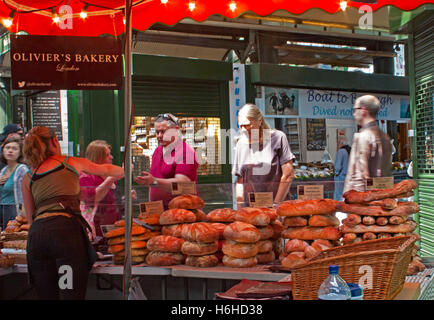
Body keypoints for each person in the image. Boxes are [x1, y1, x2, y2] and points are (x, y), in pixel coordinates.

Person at [21, 126, 124, 300]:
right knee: (69, 293)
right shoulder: (69, 162)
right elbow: (106, 170)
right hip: (65, 235)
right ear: (55, 141)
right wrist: (126, 170)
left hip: (37, 238)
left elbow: (31, 218)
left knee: (47, 296)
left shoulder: (28, 176)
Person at [233, 103, 295, 207]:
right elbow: (240, 181)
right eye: (240, 125)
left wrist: (276, 205)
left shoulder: (277, 138)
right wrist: (240, 208)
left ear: (259, 121)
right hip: (251, 208)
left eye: (247, 125)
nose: (243, 129)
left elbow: (288, 175)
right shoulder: (240, 144)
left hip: (276, 206)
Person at [134, 113, 199, 209]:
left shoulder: (186, 151)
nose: (159, 136)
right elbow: (153, 185)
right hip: (160, 212)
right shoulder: (157, 151)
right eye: (157, 132)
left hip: (181, 213)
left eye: (163, 132)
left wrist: (154, 182)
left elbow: (183, 184)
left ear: (176, 130)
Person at [343, 95, 392, 193]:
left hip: (363, 199)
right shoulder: (385, 137)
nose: (354, 114)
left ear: (363, 110)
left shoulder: (364, 136)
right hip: (382, 195)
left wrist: (352, 200)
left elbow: (362, 175)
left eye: (355, 109)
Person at [79, 140, 123, 238]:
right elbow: (91, 200)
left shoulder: (109, 176)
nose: (111, 157)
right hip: (96, 231)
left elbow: (112, 202)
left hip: (113, 228)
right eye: (107, 155)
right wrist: (111, 179)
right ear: (97, 158)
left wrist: (126, 198)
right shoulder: (86, 177)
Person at [0, 137, 29, 230]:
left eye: (14, 148)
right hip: (2, 210)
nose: (10, 151)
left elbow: (27, 193)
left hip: (15, 212)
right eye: (7, 148)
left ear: (20, 152)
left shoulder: (22, 170)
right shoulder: (3, 171)